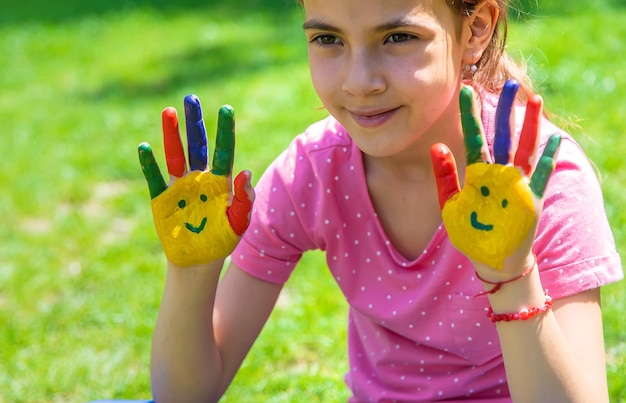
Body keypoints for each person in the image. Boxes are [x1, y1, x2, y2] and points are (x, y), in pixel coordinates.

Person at [138, 0, 623, 401]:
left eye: (397, 38)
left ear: (475, 28)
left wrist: (511, 274)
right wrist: (193, 270)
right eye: (328, 39)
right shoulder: (316, 170)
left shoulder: (543, 181)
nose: (359, 81)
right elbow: (185, 394)